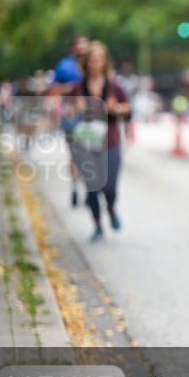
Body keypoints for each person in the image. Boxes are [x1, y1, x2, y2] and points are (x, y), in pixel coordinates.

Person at [68, 41, 130, 242]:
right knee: (93, 187)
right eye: (93, 59)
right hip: (87, 144)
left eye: (100, 59)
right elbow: (66, 112)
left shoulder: (114, 86)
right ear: (86, 62)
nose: (96, 62)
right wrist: (74, 108)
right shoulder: (78, 87)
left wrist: (116, 108)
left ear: (105, 62)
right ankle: (97, 226)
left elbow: (127, 108)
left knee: (110, 187)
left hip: (110, 141)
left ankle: (111, 208)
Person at [49, 35, 89, 206]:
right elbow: (53, 89)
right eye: (79, 45)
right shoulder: (64, 66)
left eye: (85, 45)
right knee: (75, 155)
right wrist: (71, 88)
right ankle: (75, 187)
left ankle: (89, 189)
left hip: (90, 117)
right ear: (73, 47)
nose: (82, 49)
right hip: (71, 117)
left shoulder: (93, 64)